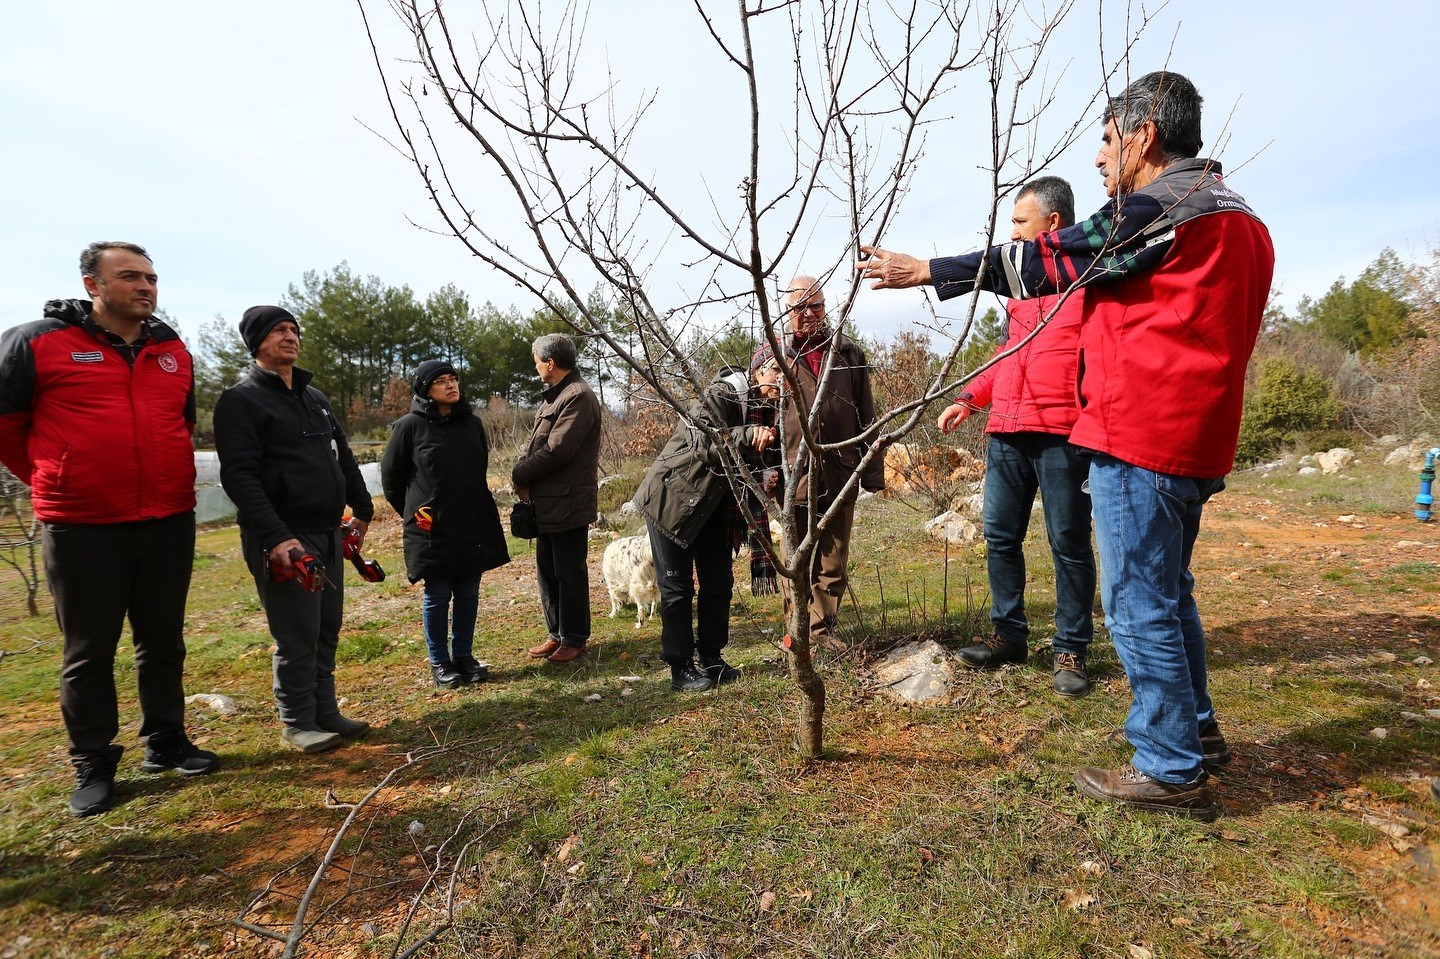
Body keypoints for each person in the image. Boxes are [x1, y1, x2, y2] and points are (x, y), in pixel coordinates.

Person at [857, 71, 1274, 820]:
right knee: (1170, 593)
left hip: (1141, 434)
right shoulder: (1238, 216)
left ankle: (1171, 764)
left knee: (1138, 601)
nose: (1099, 159)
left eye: (1109, 139)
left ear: (1145, 136)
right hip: (1196, 437)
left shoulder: (1164, 209)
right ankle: (1197, 732)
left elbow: (1052, 258)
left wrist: (929, 269)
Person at [0, 241, 220, 816]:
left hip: (169, 516)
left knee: (163, 639)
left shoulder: (172, 348)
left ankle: (166, 741)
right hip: (82, 525)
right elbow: (7, 430)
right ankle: (92, 761)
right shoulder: (35, 343)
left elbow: (182, 423)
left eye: (151, 277)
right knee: (89, 650)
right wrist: (59, 479)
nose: (146, 287)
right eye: (129, 277)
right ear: (92, 284)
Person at [936, 177, 1096, 697]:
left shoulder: (1090, 285)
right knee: (1001, 538)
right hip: (1006, 431)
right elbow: (1009, 358)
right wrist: (970, 398)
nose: (1012, 232)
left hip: (1061, 436)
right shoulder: (1021, 294)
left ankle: (1070, 647)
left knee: (1067, 544)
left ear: (1053, 224)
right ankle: (1009, 636)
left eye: (1019, 223)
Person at [214, 306, 376, 755]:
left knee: (326, 626)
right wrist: (275, 536)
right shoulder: (241, 401)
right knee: (296, 631)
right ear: (256, 341)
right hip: (285, 538)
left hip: (327, 531)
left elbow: (343, 457)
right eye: (278, 330)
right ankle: (297, 720)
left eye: (293, 329)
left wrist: (362, 509)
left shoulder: (315, 398)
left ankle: (325, 711)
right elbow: (240, 477)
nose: (290, 336)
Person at [633, 350, 783, 691]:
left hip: (716, 505)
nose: (781, 380)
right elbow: (704, 442)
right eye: (776, 370)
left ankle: (711, 659)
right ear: (757, 371)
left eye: (786, 373)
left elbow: (746, 463)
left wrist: (763, 477)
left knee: (718, 584)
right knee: (677, 589)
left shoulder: (770, 409)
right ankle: (680, 668)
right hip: (672, 501)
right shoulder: (720, 394)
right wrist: (747, 435)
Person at [381, 360, 510, 688]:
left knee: (468, 592)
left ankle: (464, 656)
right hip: (432, 528)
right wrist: (415, 514)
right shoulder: (408, 426)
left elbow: (478, 468)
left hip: (470, 521)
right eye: (441, 381)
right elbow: (392, 480)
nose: (451, 385)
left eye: (454, 379)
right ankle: (440, 663)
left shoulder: (472, 424)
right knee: (437, 594)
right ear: (425, 388)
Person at [776, 275, 885, 648]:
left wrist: (872, 470)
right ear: (786, 310)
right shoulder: (772, 356)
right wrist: (766, 472)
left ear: (826, 307)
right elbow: (757, 419)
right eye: (799, 306)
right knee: (796, 561)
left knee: (833, 560)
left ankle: (820, 632)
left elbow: (866, 415)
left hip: (842, 470)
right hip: (794, 476)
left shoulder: (849, 353)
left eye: (816, 305)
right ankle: (796, 632)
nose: (808, 314)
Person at [512, 334, 602, 664]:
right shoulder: (555, 397)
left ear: (550, 363)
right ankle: (557, 634)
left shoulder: (577, 396)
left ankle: (574, 638)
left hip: (568, 502)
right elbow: (534, 443)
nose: (535, 366)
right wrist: (521, 466)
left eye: (536, 361)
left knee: (568, 572)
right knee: (547, 571)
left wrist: (521, 475)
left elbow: (558, 451)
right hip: (548, 501)